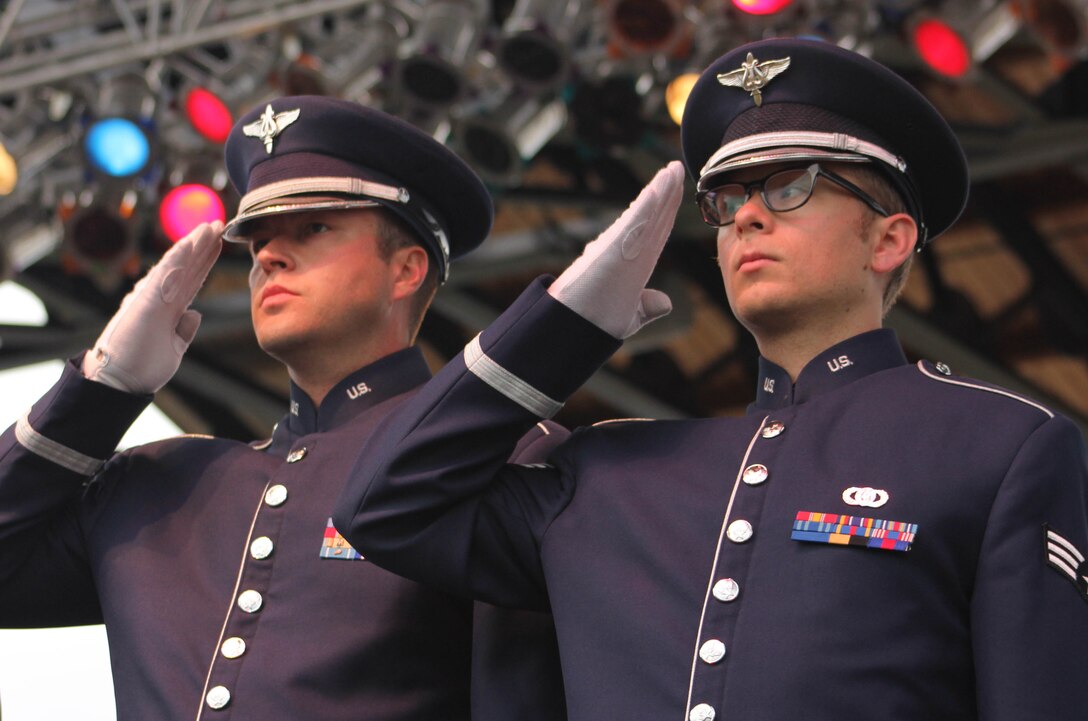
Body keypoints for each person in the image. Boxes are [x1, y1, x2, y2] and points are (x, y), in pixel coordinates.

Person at [333, 38, 1088, 721]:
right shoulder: (603, 469)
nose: (747, 218)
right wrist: (561, 326)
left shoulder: (998, 445)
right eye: (728, 201)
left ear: (888, 239)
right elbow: (384, 505)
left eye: (789, 186)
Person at [0, 95, 567, 721]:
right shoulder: (159, 486)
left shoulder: (503, 457)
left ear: (406, 270)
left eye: (313, 228)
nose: (269, 255)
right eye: (259, 239)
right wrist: (98, 392)